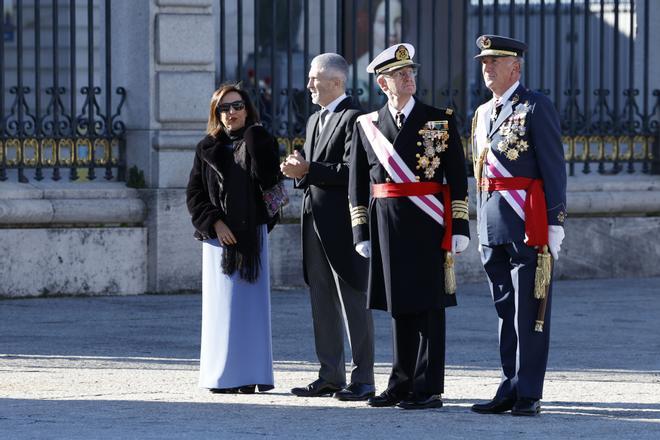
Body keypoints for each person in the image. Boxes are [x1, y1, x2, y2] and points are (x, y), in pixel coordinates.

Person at [348, 43, 470, 410]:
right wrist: (361, 231)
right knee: (399, 305)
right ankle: (400, 382)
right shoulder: (367, 125)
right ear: (383, 84)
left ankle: (427, 387)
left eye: (411, 72)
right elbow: (357, 182)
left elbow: (457, 178)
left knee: (429, 304)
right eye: (401, 74)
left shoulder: (440, 120)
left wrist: (460, 225)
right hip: (387, 224)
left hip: (429, 220)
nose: (409, 77)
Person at [470, 35, 567, 416]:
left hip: (529, 225)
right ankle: (509, 384)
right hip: (493, 227)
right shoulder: (481, 114)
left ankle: (529, 392)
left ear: (516, 67)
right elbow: (480, 175)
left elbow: (553, 168)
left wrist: (555, 224)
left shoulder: (536, 106)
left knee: (530, 312)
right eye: (484, 62)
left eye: (495, 61)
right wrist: (479, 228)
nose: (487, 67)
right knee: (504, 312)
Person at [281, 53, 376, 401]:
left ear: (335, 82)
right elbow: (312, 166)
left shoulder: (356, 118)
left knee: (353, 300)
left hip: (344, 224)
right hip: (314, 221)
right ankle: (330, 374)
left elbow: (353, 172)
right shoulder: (314, 120)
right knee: (321, 299)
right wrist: (297, 168)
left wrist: (308, 170)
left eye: (314, 79)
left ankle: (363, 377)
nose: (308, 85)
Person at [186, 83, 281, 394]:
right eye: (223, 108)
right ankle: (223, 376)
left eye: (237, 106)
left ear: (247, 107)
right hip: (218, 242)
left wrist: (254, 137)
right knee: (222, 312)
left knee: (251, 313)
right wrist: (214, 222)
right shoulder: (206, 148)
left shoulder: (259, 140)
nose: (231, 113)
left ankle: (252, 376)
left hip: (252, 238)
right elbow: (194, 194)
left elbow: (271, 184)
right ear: (217, 114)